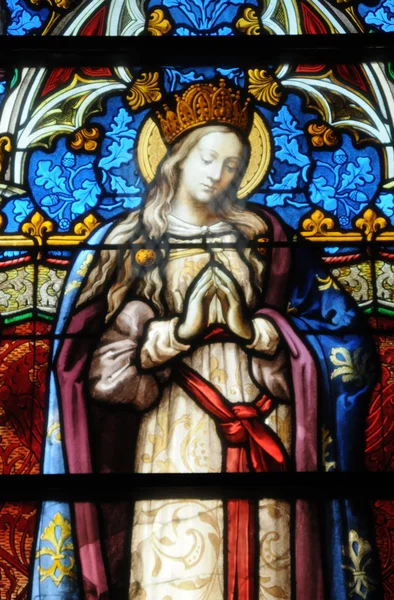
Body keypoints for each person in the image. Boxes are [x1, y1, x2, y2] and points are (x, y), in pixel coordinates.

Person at [51, 80, 381, 600]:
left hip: (265, 424)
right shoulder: (129, 241)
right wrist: (174, 336)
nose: (219, 174)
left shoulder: (264, 235)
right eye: (208, 158)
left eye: (232, 164)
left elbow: (344, 339)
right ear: (176, 159)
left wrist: (262, 333)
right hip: (172, 439)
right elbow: (91, 369)